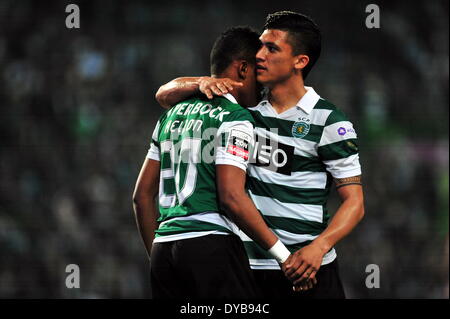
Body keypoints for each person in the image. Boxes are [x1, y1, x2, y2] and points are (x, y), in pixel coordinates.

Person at [155, 11, 365, 299]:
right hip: (250, 266)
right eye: (261, 46)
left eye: (272, 48)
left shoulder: (329, 122)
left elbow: (355, 202)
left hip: (310, 267)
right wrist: (200, 81)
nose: (259, 55)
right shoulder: (244, 111)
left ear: (299, 62)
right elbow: (165, 95)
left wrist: (319, 247)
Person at [133, 26, 295, 299]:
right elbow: (232, 197)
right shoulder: (235, 116)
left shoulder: (170, 116)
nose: (263, 86)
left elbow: (141, 196)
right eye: (259, 73)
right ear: (243, 69)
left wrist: (160, 257)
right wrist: (283, 255)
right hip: (211, 244)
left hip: (164, 249)